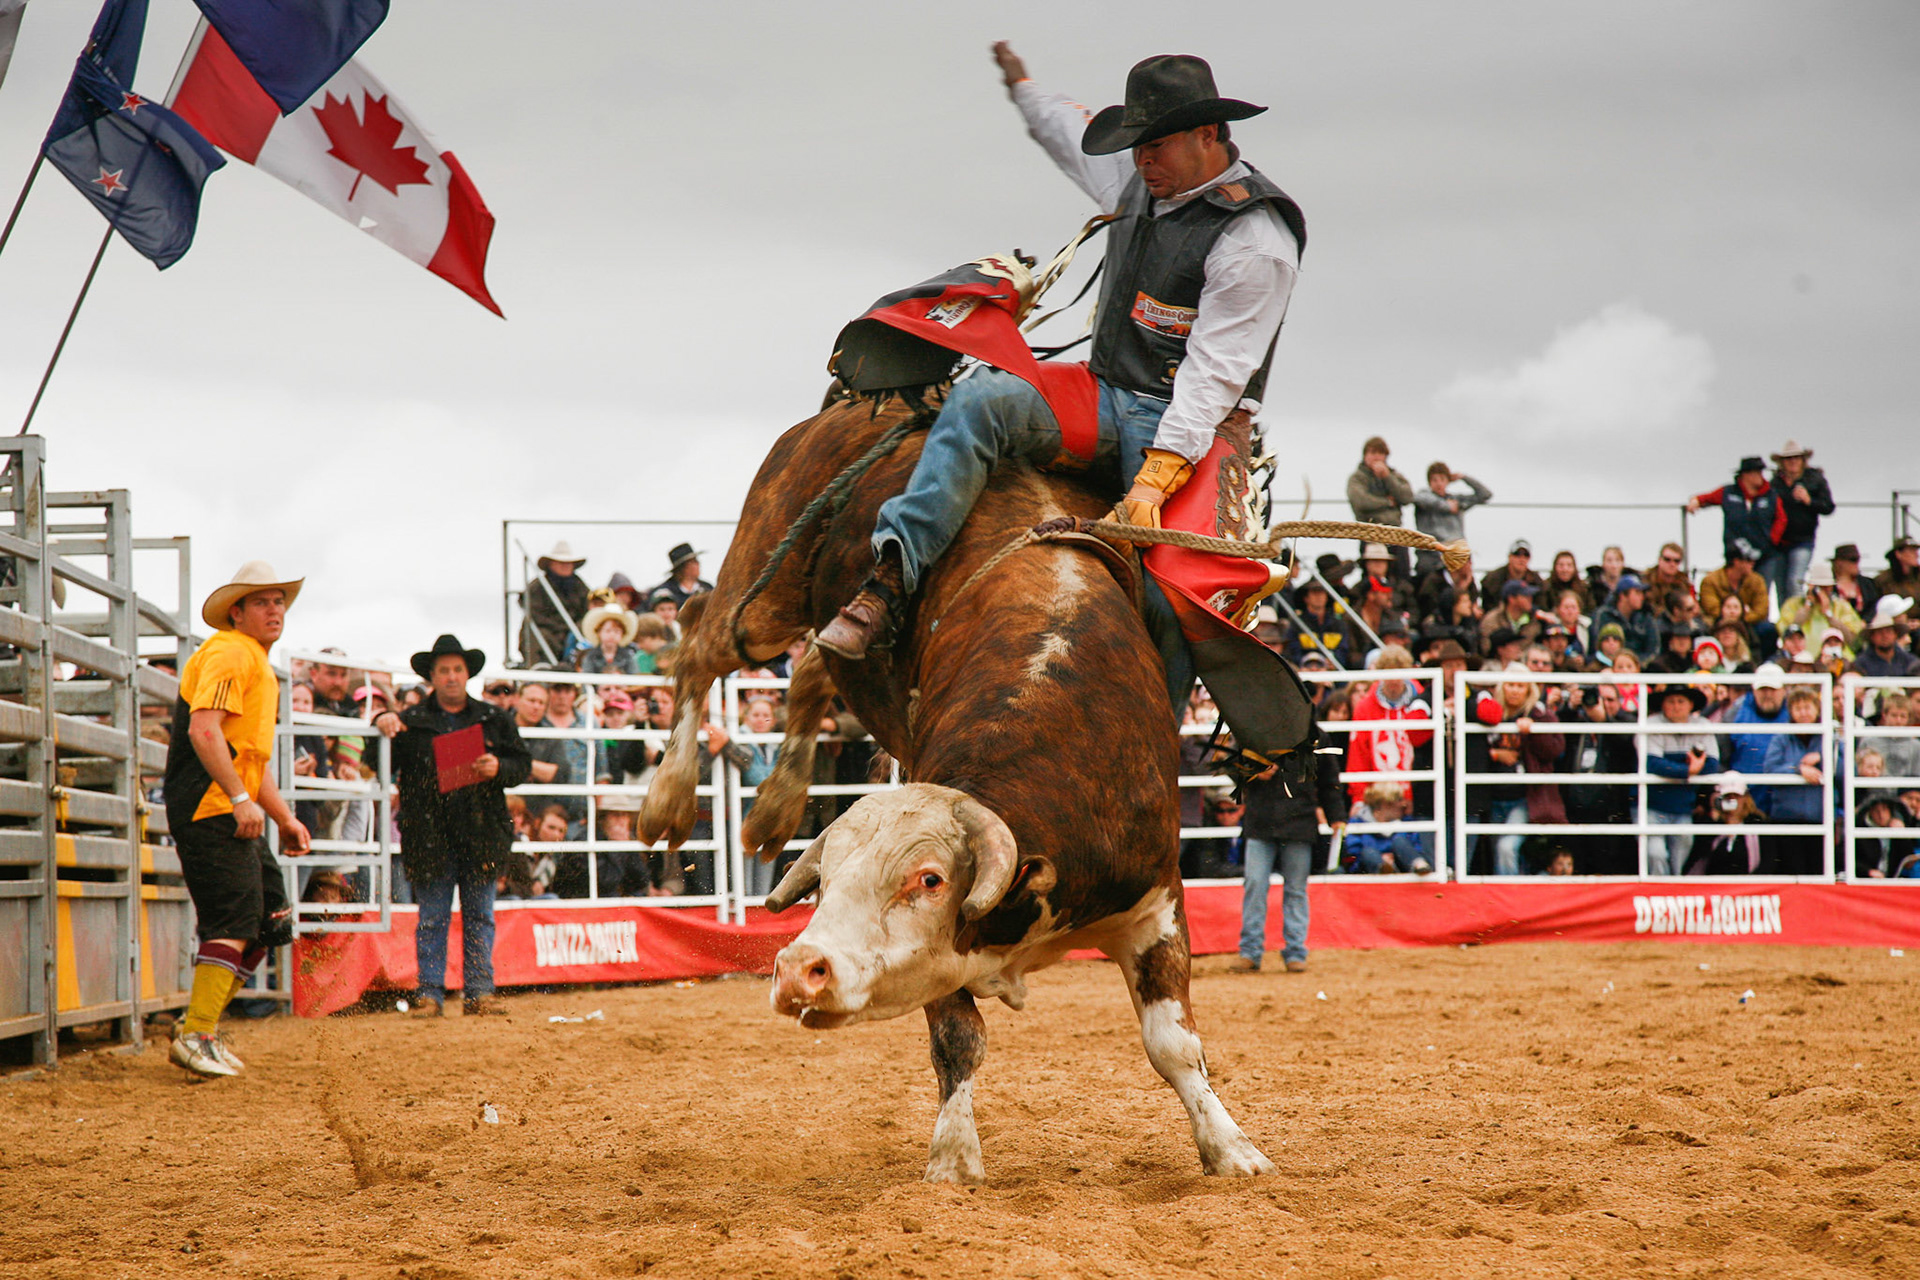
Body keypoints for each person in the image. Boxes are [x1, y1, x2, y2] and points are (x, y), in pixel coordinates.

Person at [820, 46, 1305, 680]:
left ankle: (1235, 751)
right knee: (978, 401)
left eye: (1156, 143)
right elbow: (1066, 133)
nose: (1142, 159)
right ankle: (888, 585)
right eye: (1137, 144)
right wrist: (1024, 88)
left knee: (1182, 594)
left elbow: (1215, 373)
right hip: (1107, 391)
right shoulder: (1142, 179)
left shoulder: (1255, 238)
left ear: (1208, 133)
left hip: (1198, 424)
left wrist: (1156, 478)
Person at [163, 563, 312, 1078]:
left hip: (227, 804)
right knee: (234, 919)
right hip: (210, 806)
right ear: (238, 612)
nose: (275, 610)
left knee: (270, 917)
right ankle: (198, 1032)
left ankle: (196, 1024)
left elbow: (248, 756)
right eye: (263, 602)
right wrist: (239, 796)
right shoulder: (230, 651)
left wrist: (284, 818)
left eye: (280, 602)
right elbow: (205, 732)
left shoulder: (253, 661)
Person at [370, 635, 533, 1018]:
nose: (451, 677)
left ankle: (473, 990)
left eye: (457, 669)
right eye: (444, 670)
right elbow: (373, 755)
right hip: (432, 834)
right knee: (434, 916)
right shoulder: (410, 723)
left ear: (467, 674)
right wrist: (380, 719)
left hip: (477, 831)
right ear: (432, 676)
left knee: (477, 914)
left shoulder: (493, 718)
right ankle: (436, 992)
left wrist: (499, 768)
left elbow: (521, 764)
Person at [1231, 723, 1342, 974]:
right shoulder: (1313, 735)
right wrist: (1252, 770)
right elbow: (1329, 782)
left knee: (1262, 885)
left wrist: (1250, 770)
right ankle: (1289, 950)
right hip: (1289, 820)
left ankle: (1255, 950)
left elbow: (1327, 781)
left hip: (1277, 820)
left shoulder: (1255, 729)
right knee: (1285, 888)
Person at [1644, 683, 1718, 877]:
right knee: (1655, 853)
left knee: (1682, 850)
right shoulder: (1651, 724)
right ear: (1662, 704)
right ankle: (1659, 894)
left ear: (1691, 704)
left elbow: (1712, 764)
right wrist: (1689, 769)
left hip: (1682, 805)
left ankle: (1675, 893)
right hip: (1652, 804)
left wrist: (1686, 770)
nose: (1676, 706)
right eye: (1670, 701)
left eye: (1681, 701)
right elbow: (1652, 763)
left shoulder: (1702, 725)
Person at [1687, 457, 1783, 594]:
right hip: (1736, 558)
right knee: (1734, 594)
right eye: (1756, 473)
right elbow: (1706, 498)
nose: (1760, 477)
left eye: (1760, 472)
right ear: (1745, 475)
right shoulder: (1728, 493)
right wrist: (1695, 501)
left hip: (1764, 556)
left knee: (1761, 593)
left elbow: (1781, 519)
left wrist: (1771, 540)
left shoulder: (1771, 495)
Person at [1759, 687, 1828, 876]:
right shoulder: (1781, 738)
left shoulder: (1829, 738)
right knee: (1792, 873)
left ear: (1817, 709)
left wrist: (1822, 757)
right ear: (1791, 712)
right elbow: (1770, 769)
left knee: (1819, 873)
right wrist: (1798, 769)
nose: (1803, 713)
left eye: (1808, 707)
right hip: (1786, 820)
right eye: (1798, 709)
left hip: (1821, 820)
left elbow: (1845, 771)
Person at [1769, 440, 1834, 601]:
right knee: (1781, 586)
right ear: (1782, 462)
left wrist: (1809, 500)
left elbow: (1828, 507)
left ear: (1803, 460)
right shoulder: (1775, 484)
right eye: (1789, 458)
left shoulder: (1815, 479)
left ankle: (1796, 621)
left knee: (1794, 582)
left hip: (1803, 541)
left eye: (1796, 458)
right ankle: (1786, 622)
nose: (1793, 461)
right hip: (1779, 543)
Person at [1346, 437, 1415, 580]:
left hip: (1396, 534)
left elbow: (1407, 497)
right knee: (1372, 579)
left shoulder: (1394, 476)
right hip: (1370, 534)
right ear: (1365, 455)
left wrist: (1387, 478)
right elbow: (1361, 501)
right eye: (1372, 452)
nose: (1376, 457)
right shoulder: (1357, 478)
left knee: (1402, 578)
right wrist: (1388, 502)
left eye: (1380, 453)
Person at [1409, 461, 1490, 579]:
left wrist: (1464, 477)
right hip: (1431, 556)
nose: (1439, 484)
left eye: (1442, 479)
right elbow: (1417, 498)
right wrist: (1446, 506)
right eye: (1434, 480)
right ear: (1429, 482)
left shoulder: (1456, 500)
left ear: (1448, 481)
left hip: (1455, 554)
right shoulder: (1424, 497)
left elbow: (1485, 494)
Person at [522, 541, 590, 667]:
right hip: (549, 632)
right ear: (551, 564)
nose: (565, 566)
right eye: (561, 563)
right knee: (538, 637)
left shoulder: (580, 586)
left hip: (574, 634)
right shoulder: (537, 587)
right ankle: (540, 673)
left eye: (568, 563)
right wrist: (562, 630)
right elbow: (535, 614)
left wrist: (574, 631)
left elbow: (587, 612)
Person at [1342, 782, 1429, 874]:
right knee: (1368, 852)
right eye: (1399, 800)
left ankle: (1418, 865)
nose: (1404, 804)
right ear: (1384, 803)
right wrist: (1380, 858)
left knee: (1400, 842)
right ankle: (1383, 868)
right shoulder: (1357, 823)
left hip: (1402, 868)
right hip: (1368, 871)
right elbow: (1352, 853)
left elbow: (1417, 848)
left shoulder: (1407, 822)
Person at [1685, 775, 1764, 875]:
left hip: (1747, 887)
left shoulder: (1758, 823)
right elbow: (1698, 858)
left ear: (1745, 798)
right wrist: (1714, 815)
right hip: (1715, 886)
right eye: (1728, 796)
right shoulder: (1710, 825)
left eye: (1736, 796)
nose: (1732, 800)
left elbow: (1767, 862)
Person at [1779, 562, 1865, 655]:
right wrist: (1807, 606)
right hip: (1801, 659)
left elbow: (1854, 641)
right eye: (1818, 587)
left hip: (1837, 660)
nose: (1821, 592)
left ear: (1832, 587)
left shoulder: (1842, 606)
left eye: (1825, 587)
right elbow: (1785, 633)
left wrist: (1829, 616)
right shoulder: (1793, 604)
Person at [1592, 573, 1661, 663]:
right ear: (1623, 595)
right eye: (1637, 592)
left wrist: (1634, 665)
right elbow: (1596, 645)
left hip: (1640, 670)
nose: (1642, 597)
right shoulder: (1603, 615)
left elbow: (1654, 650)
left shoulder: (1646, 617)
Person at [1851, 597, 1918, 678]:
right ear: (1872, 637)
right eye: (1879, 632)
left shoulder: (1910, 662)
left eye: (1888, 631)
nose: (1885, 635)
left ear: (1896, 634)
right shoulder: (1861, 664)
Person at [578, 598, 642, 675]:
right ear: (599, 632)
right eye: (608, 631)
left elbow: (634, 678)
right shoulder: (591, 657)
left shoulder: (627, 657)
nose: (612, 635)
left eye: (616, 631)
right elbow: (586, 680)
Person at [651, 543, 712, 609]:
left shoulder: (707, 588)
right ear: (682, 568)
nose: (698, 564)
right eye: (693, 562)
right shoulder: (664, 591)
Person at [1830, 544, 1880, 623]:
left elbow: (1874, 605)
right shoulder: (1829, 585)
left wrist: (1865, 621)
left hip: (1865, 628)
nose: (1857, 564)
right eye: (1853, 560)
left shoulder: (1867, 584)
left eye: (1858, 560)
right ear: (1840, 563)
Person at [1540, 550, 1591, 615]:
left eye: (1569, 565)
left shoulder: (1584, 588)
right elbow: (1543, 609)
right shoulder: (1546, 587)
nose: (1565, 569)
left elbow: (1590, 610)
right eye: (1561, 565)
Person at [1876, 536, 1920, 601]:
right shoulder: (1883, 581)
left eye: (1916, 550)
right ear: (1898, 554)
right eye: (1911, 550)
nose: (1916, 555)